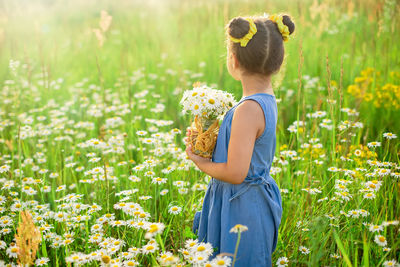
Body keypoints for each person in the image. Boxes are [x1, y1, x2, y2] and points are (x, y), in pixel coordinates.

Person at [185, 13, 295, 266]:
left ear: (233, 60)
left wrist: (197, 161)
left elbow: (236, 172)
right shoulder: (265, 100)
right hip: (246, 200)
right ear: (278, 63)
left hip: (242, 207)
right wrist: (208, 144)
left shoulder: (248, 109)